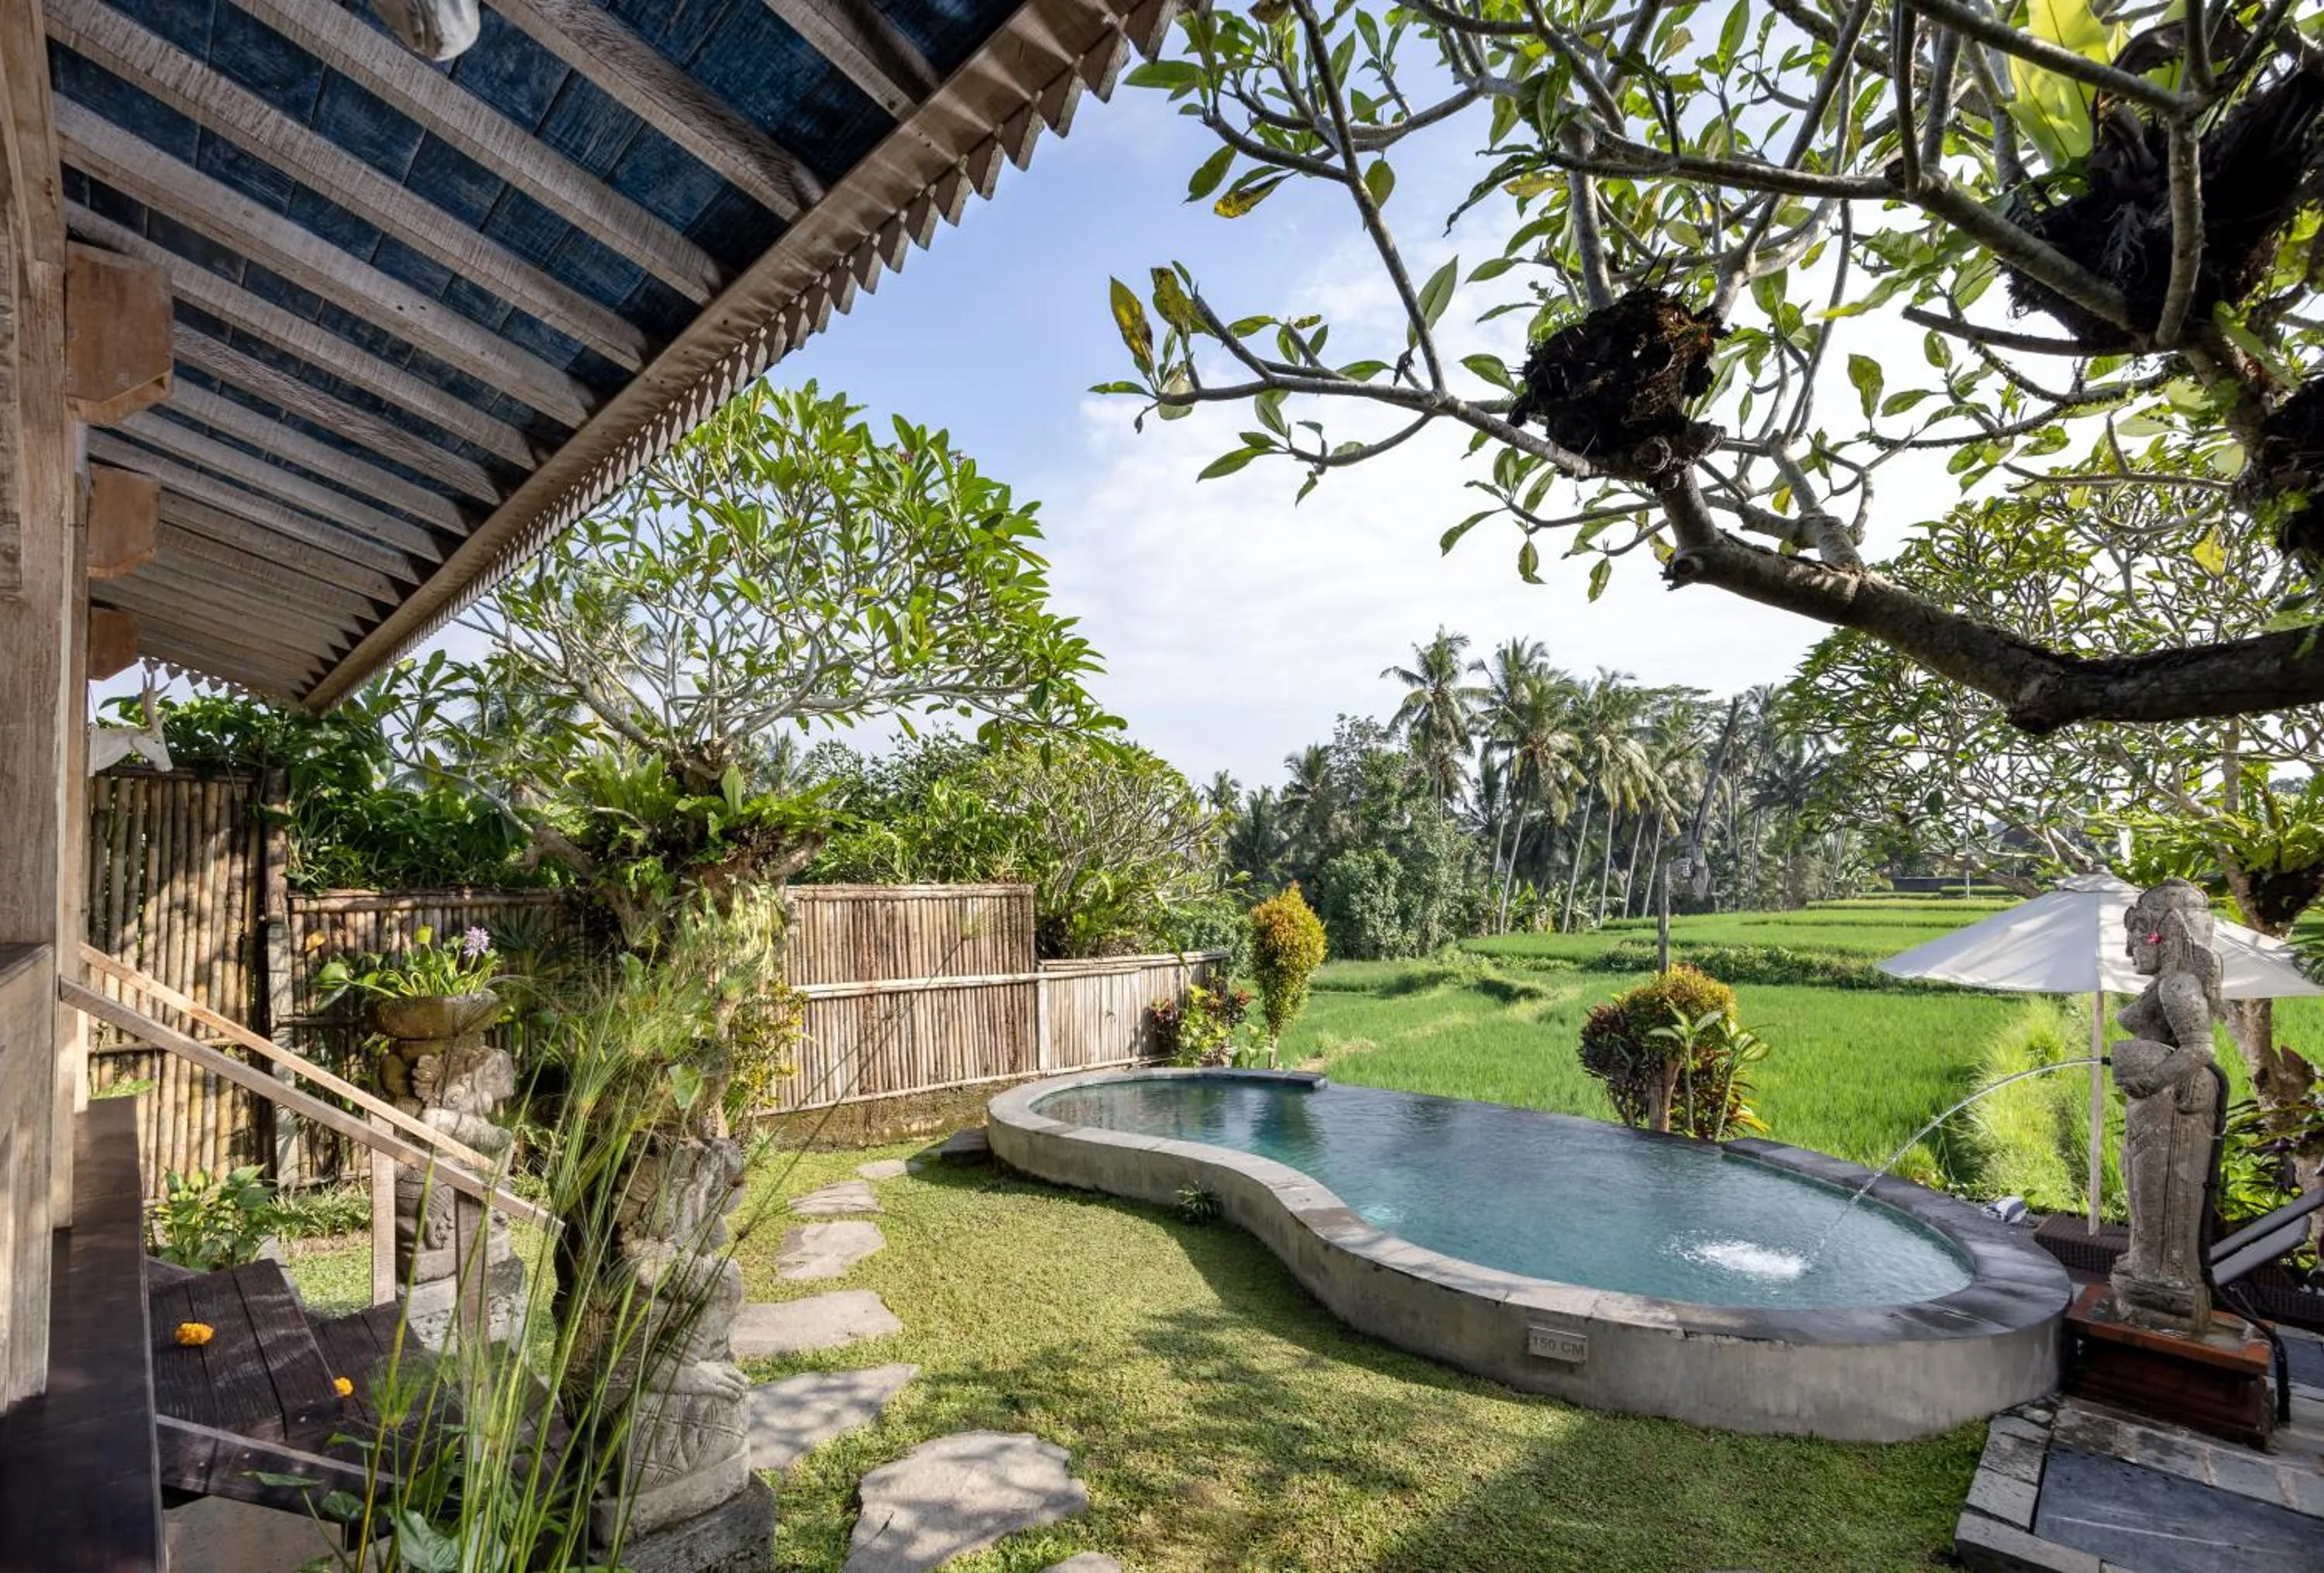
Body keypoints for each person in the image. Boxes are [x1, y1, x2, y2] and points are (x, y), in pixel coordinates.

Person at [2109, 879, 2223, 1334]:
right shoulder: (2167, 981)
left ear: (2166, 932)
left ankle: (2163, 1279)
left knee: (2157, 1194)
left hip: (2169, 1106)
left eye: (2138, 934)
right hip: (2155, 1108)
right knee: (2141, 1189)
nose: (2129, 948)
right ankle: (2146, 1263)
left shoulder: (2177, 983)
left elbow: (2200, 1048)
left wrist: (2150, 1079)